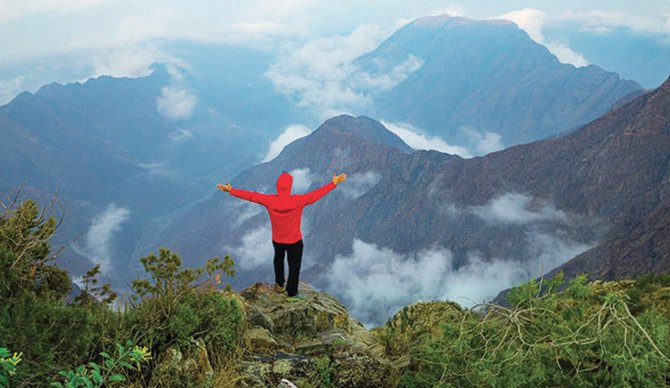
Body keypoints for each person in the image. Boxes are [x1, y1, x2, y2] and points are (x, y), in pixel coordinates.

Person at [217, 171, 347, 298]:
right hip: (295, 241)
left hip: (278, 240)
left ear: (278, 186)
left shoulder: (270, 200)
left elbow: (251, 196)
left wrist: (231, 190)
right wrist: (333, 183)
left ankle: (279, 284)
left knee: (278, 260)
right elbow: (316, 195)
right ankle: (291, 292)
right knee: (294, 266)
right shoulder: (298, 201)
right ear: (290, 187)